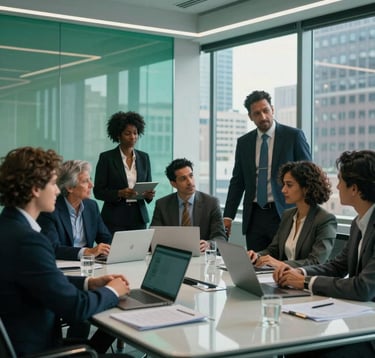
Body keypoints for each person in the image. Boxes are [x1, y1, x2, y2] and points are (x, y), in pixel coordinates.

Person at [0, 147, 130, 357]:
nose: (58, 190)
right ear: (35, 189)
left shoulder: (8, 227)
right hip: (39, 349)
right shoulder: (29, 242)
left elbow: (41, 279)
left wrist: (89, 283)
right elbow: (76, 308)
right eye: (52, 183)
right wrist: (113, 291)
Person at [274, 150, 375, 357]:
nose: (336, 186)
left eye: (340, 181)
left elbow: (363, 287)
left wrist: (304, 283)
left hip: (369, 333)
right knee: (297, 346)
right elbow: (337, 266)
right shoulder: (359, 223)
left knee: (307, 349)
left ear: (354, 189)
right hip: (358, 319)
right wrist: (300, 273)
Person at [223, 90, 312, 251]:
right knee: (256, 264)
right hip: (254, 216)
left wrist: (308, 213)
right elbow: (237, 181)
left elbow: (309, 176)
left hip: (285, 213)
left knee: (282, 265)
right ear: (250, 116)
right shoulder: (244, 143)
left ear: (272, 109)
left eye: (266, 111)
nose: (263, 117)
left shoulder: (293, 136)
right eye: (257, 113)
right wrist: (228, 215)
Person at [247, 161, 337, 270]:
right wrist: (257, 256)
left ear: (306, 187)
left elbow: (316, 261)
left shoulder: (325, 219)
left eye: (289, 185)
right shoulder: (288, 215)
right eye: (284, 184)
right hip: (282, 277)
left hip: (305, 281)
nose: (283, 190)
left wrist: (279, 264)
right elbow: (274, 250)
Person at [94, 111, 155, 235]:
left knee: (138, 253)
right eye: (127, 133)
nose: (133, 137)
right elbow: (98, 192)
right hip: (114, 219)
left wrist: (149, 195)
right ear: (118, 135)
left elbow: (148, 185)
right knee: (114, 253)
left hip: (138, 218)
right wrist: (119, 193)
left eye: (135, 133)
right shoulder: (107, 158)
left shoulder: (144, 158)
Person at [38, 160, 112, 261]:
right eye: (85, 181)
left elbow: (105, 238)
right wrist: (87, 252)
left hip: (89, 265)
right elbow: (53, 248)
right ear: (69, 188)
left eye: (90, 179)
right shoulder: (50, 209)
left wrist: (110, 249)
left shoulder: (91, 206)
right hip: (62, 266)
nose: (92, 185)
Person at [150, 158, 226, 252]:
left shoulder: (211, 203)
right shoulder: (162, 205)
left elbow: (220, 237)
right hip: (174, 255)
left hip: (201, 257)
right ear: (173, 183)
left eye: (191, 176)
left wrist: (209, 245)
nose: (190, 182)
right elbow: (154, 236)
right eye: (183, 179)